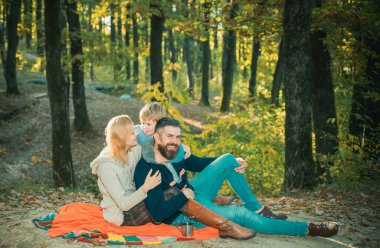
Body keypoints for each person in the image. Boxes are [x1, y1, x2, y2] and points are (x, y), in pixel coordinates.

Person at [134, 117, 339, 237]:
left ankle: (256, 207)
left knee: (228, 159)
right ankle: (308, 228)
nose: (175, 142)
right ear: (157, 137)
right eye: (170, 136)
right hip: (182, 212)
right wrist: (183, 195)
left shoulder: (175, 152)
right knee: (240, 215)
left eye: (178, 137)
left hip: (193, 193)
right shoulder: (146, 169)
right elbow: (158, 214)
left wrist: (235, 163)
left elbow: (202, 164)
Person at [90, 115, 256, 239]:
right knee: (174, 193)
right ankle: (225, 227)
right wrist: (145, 188)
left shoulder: (133, 149)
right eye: (132, 132)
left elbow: (155, 140)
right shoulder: (106, 167)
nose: (137, 133)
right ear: (121, 138)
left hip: (140, 200)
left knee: (174, 191)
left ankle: (220, 217)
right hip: (126, 215)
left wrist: (182, 148)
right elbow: (124, 204)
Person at [135, 102, 239, 207]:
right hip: (164, 193)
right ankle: (211, 199)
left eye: (148, 124)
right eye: (142, 123)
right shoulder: (140, 136)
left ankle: (213, 197)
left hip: (180, 187)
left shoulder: (172, 146)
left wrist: (223, 161)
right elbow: (126, 130)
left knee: (227, 162)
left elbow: (198, 163)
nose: (144, 127)